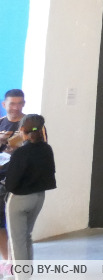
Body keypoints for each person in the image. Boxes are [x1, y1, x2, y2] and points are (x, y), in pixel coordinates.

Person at [4, 115, 54, 280]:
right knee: (27, 235)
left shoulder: (21, 153)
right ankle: (26, 274)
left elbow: (11, 183)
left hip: (19, 200)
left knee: (17, 241)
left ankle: (21, 277)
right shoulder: (47, 149)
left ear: (21, 130)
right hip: (38, 197)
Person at [0, 90, 27, 275]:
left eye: (20, 103)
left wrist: (15, 147)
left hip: (19, 181)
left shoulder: (30, 123)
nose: (16, 107)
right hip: (1, 179)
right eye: (12, 103)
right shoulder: (1, 122)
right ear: (4, 104)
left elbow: (39, 148)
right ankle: (7, 262)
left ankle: (14, 263)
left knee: (15, 224)